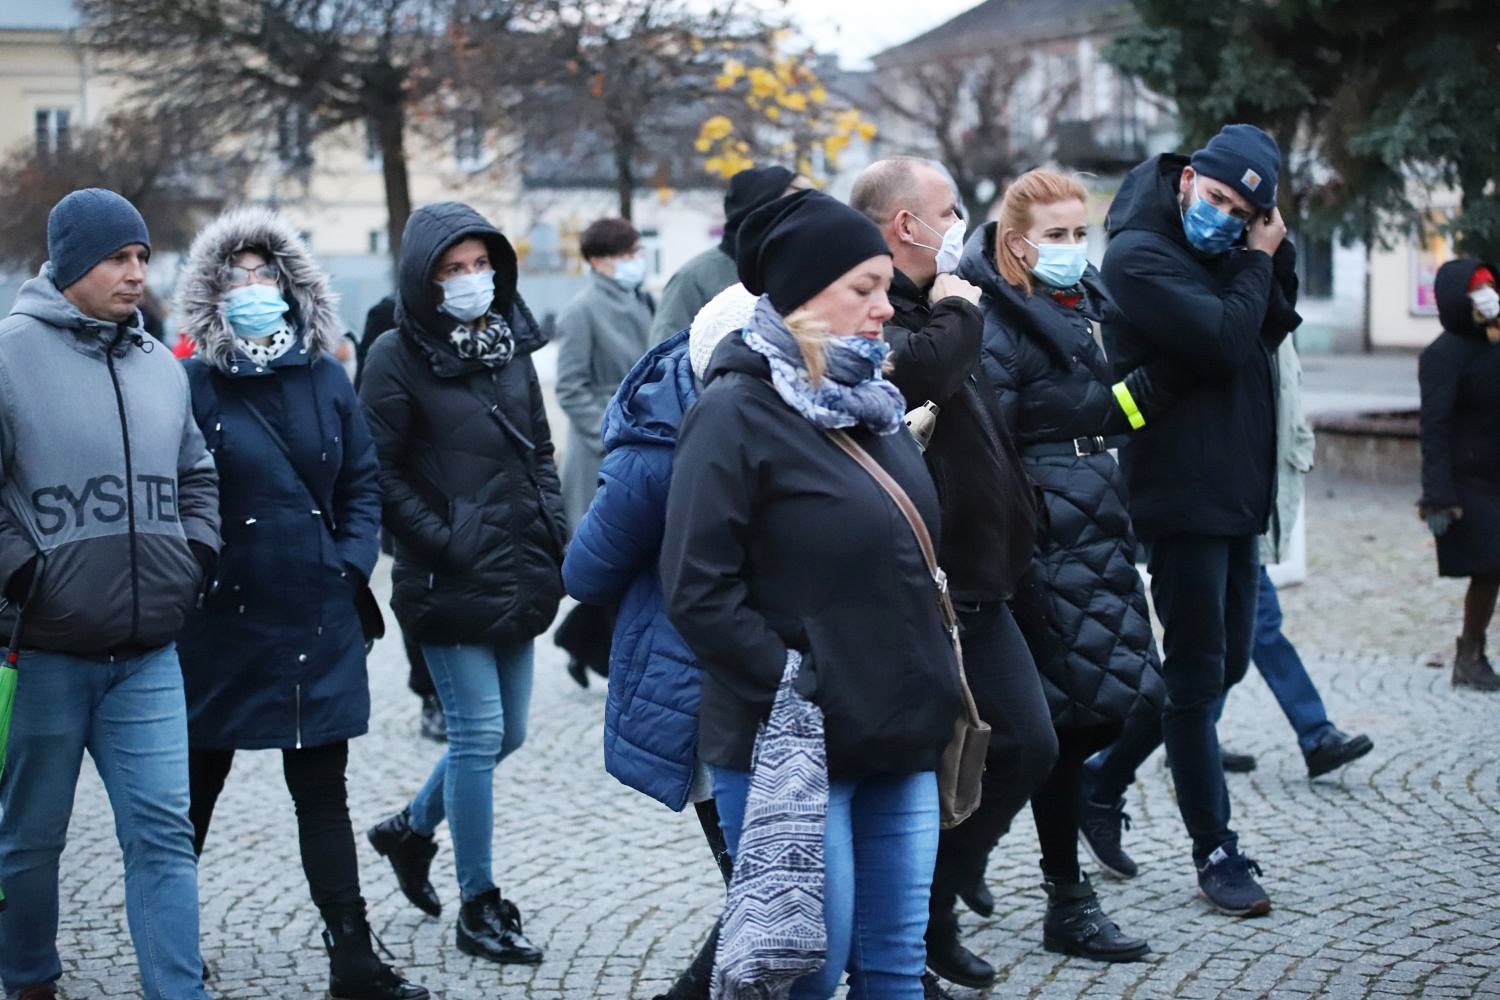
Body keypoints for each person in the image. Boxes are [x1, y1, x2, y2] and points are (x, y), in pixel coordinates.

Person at [662, 189, 963, 999]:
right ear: (800, 296)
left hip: (899, 732)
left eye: (884, 286)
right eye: (861, 288)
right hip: (792, 743)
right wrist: (800, 682)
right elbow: (697, 588)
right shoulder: (734, 411)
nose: (883, 306)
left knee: (896, 968)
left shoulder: (874, 404)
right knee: (807, 968)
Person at [172, 208, 427, 1000]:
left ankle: (352, 956)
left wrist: (347, 567)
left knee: (322, 791)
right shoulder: (190, 383)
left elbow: (360, 483)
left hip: (316, 614)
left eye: (264, 275)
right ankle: (172, 946)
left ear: (290, 287)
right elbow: (176, 489)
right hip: (220, 619)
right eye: (236, 277)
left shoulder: (325, 375)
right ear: (214, 293)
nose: (253, 289)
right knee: (191, 795)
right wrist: (199, 569)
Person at [0, 188, 220, 1000]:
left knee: (164, 833)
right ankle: (27, 976)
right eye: (116, 258)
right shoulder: (8, 354)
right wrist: (26, 573)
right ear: (67, 264)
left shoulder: (161, 364)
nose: (135, 273)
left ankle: (178, 990)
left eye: (140, 257)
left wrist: (193, 555)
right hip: (46, 649)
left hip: (148, 653)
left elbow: (198, 474)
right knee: (30, 839)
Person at [1081, 124, 1301, 917]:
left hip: (1238, 483)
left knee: (1224, 665)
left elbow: (1267, 326)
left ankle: (1100, 781)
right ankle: (1215, 849)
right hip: (1178, 489)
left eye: (1241, 212)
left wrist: (1267, 257)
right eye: (1214, 198)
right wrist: (1252, 263)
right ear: (1187, 180)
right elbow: (1221, 336)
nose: (1221, 217)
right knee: (1199, 671)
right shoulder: (1137, 254)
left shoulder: (1233, 250)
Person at [849, 156, 1058, 993]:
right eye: (948, 209)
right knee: (944, 763)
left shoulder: (943, 301)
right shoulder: (878, 308)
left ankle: (939, 896)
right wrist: (956, 312)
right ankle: (915, 928)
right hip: (931, 584)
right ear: (906, 224)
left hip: (992, 567)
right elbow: (921, 369)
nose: (958, 223)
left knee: (1030, 745)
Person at [952, 168, 1165, 963]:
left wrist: (1141, 401)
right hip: (1043, 538)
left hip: (1094, 524)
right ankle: (1062, 897)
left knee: (1114, 707)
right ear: (1016, 243)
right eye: (1058, 235)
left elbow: (1091, 408)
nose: (1075, 249)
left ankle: (974, 851)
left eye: (1082, 233)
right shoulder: (998, 322)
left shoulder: (1075, 304)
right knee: (1067, 723)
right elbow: (990, 445)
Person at [360, 202, 566, 965]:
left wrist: (555, 531)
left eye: (481, 265)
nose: (471, 280)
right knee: (477, 733)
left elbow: (538, 447)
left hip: (518, 563)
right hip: (447, 577)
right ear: (424, 278)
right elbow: (374, 471)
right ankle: (481, 904)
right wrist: (445, 538)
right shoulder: (394, 354)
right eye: (453, 269)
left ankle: (409, 830)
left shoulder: (507, 344)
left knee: (508, 732)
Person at [563, 282, 756, 1000]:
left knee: (774, 879)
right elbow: (584, 570)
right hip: (696, 681)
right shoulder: (659, 448)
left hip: (763, 676)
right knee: (759, 881)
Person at [1216, 340, 1376, 773]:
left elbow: (1287, 402)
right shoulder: (1235, 316)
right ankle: (1315, 733)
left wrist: (1299, 449)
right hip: (1229, 503)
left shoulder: (1276, 324)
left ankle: (1188, 734)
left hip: (1250, 499)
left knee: (1236, 629)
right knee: (1256, 625)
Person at [553, 217, 655, 687]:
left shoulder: (643, 299)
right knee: (612, 557)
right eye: (628, 252)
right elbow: (571, 387)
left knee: (635, 560)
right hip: (602, 450)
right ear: (599, 260)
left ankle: (582, 644)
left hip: (645, 439)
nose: (636, 260)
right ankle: (610, 658)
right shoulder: (581, 310)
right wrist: (611, 434)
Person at [358, 293, 447, 743]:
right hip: (409, 488)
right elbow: (369, 400)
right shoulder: (385, 318)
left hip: (460, 487)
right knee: (416, 592)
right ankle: (429, 692)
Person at [1418, 257, 1500, 690]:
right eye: (1480, 290)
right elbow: (1434, 427)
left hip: (1495, 475)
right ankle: (1470, 655)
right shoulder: (1442, 355)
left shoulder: (1495, 343)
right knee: (1489, 566)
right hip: (1467, 483)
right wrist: (1438, 494)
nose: (1490, 297)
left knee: (1492, 568)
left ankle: (1471, 652)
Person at [648, 165, 805, 343]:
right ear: (759, 213)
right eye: (791, 208)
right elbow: (664, 358)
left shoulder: (803, 271)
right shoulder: (693, 279)